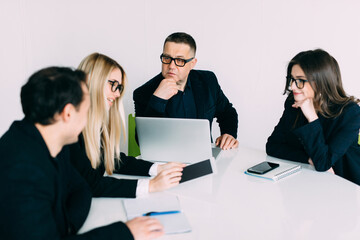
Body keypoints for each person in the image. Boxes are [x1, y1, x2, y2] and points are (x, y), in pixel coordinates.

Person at [0, 67, 164, 239]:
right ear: (68, 113)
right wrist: (125, 232)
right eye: (86, 110)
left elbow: (82, 188)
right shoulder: (21, 171)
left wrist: (66, 229)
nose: (89, 117)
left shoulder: (51, 144)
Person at [69, 52, 184, 198]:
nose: (117, 94)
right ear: (93, 81)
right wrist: (151, 185)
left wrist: (158, 168)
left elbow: (113, 159)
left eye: (119, 88)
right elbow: (91, 184)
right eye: (113, 85)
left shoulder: (95, 124)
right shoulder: (70, 130)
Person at [266, 49, 360, 185]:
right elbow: (272, 146)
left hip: (344, 186)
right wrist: (308, 158)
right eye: (292, 79)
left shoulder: (350, 113)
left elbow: (322, 163)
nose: (292, 86)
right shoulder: (293, 104)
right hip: (307, 181)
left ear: (321, 82)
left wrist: (311, 117)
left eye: (300, 80)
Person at [133, 32, 239, 150]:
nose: (171, 66)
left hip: (204, 158)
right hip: (167, 162)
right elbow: (144, 142)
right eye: (167, 58)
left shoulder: (208, 81)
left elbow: (228, 112)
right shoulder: (144, 93)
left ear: (192, 63)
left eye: (179, 60)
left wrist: (229, 134)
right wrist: (157, 100)